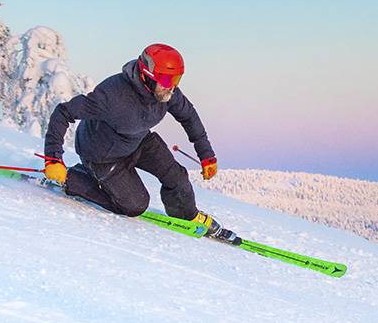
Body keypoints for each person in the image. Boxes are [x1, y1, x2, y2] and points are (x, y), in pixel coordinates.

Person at [42, 43, 236, 242]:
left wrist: (207, 155)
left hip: (138, 140)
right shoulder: (112, 95)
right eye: (168, 79)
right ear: (148, 75)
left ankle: (188, 217)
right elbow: (63, 112)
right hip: (102, 155)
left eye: (177, 79)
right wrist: (53, 159)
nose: (173, 86)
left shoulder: (166, 93)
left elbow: (189, 117)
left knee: (176, 177)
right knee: (134, 206)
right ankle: (72, 179)